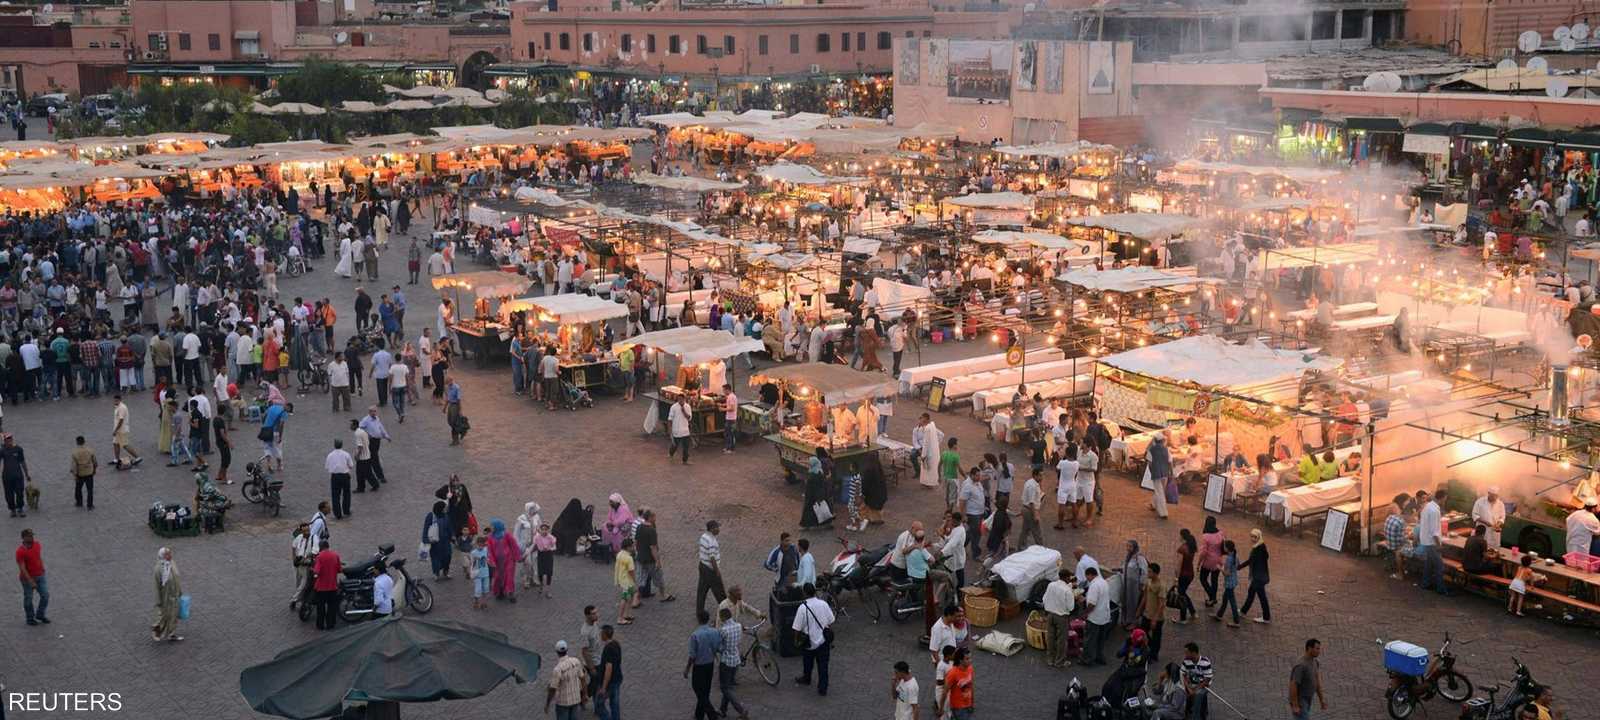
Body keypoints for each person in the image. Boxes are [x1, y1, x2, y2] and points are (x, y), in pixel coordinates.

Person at [793, 582, 835, 695]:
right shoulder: (823, 604)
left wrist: (796, 640)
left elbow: (797, 628)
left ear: (805, 593)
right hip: (823, 641)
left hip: (809, 642)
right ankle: (823, 688)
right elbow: (831, 620)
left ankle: (807, 678)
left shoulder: (802, 608)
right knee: (823, 666)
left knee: (807, 663)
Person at [686, 609, 723, 720]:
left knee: (698, 690)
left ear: (698, 620)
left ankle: (712, 715)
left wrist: (687, 669)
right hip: (710, 665)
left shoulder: (695, 635)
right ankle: (699, 715)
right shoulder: (715, 632)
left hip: (699, 667)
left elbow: (692, 656)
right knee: (705, 690)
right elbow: (718, 648)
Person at [716, 607, 748, 719]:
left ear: (724, 617)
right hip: (736, 660)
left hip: (726, 661)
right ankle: (722, 710)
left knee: (725, 688)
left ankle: (741, 710)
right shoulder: (738, 626)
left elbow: (719, 647)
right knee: (728, 686)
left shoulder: (723, 630)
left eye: (720, 617)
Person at [546, 639, 589, 720]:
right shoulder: (576, 662)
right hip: (576, 699)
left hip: (563, 703)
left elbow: (552, 689)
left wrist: (547, 704)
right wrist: (585, 694)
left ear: (557, 652)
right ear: (567, 650)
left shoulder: (557, 669)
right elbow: (583, 679)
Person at [1041, 568, 1075, 667]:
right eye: (1069, 577)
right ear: (1067, 577)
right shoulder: (1067, 590)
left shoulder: (1051, 585)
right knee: (1062, 640)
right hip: (1061, 617)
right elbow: (1071, 607)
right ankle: (1059, 661)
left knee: (1050, 637)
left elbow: (1044, 599)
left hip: (1050, 615)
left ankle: (1050, 659)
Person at [1239, 529, 1271, 623]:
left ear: (1258, 537)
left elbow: (1250, 561)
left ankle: (1266, 617)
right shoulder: (1262, 546)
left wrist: (1239, 567)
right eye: (1251, 536)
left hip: (1258, 577)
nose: (1252, 539)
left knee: (1261, 597)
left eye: (1255, 537)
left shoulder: (1258, 549)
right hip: (1260, 576)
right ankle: (1243, 611)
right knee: (1251, 593)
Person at [16, 529, 48, 625]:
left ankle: (40, 614)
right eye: (29, 536)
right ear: (24, 538)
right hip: (27, 579)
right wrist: (30, 580)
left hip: (40, 575)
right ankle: (30, 618)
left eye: (32, 535)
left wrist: (42, 568)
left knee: (45, 595)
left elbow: (38, 557)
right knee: (28, 598)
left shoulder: (37, 545)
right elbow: (22, 568)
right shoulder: (20, 551)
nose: (32, 537)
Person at [1418, 489, 1446, 594]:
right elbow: (1435, 532)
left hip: (1425, 540)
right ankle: (1441, 589)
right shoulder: (1434, 510)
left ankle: (1425, 584)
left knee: (1429, 565)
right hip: (1432, 543)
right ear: (1443, 498)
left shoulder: (1428, 506)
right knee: (1440, 566)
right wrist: (1438, 545)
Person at [151, 547, 183, 642]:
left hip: (174, 595)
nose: (170, 556)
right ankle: (156, 631)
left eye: (170, 553)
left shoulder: (172, 563)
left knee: (174, 614)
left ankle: (171, 634)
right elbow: (156, 586)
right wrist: (158, 600)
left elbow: (177, 578)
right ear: (162, 556)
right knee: (163, 615)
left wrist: (180, 591)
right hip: (165, 596)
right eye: (167, 554)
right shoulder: (158, 569)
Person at [1290, 638, 1326, 720]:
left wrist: (1321, 699)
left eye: (1319, 649)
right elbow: (1293, 684)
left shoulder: (1315, 662)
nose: (1319, 651)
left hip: (1308, 698)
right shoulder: (1301, 665)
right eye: (1317, 648)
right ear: (1309, 648)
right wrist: (1295, 705)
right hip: (1300, 699)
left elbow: (1317, 681)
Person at [486, 518, 521, 602]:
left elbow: (514, 545)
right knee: (498, 577)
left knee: (509, 576)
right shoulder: (490, 537)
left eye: (492, 526)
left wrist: (517, 557)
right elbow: (489, 550)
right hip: (498, 562)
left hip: (509, 559)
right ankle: (500, 591)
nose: (491, 528)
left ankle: (510, 593)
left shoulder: (506, 535)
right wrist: (492, 561)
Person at [1082, 566, 1111, 666]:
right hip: (1104, 616)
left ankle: (1087, 659)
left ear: (1090, 574)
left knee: (1089, 639)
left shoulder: (1094, 585)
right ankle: (1099, 657)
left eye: (1087, 577)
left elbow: (1092, 604)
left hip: (1094, 617)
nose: (1087, 579)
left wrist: (1085, 613)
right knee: (1100, 640)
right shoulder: (1104, 582)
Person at [697, 520, 727, 615]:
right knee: (720, 592)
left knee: (702, 590)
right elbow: (712, 557)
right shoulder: (712, 541)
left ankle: (699, 611)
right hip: (710, 570)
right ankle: (726, 612)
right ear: (712, 529)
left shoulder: (704, 537)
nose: (719, 530)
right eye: (717, 528)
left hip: (702, 566)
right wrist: (717, 571)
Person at [595, 625, 623, 720]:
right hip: (617, 678)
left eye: (601, 633)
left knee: (599, 704)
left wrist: (603, 687)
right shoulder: (616, 644)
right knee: (614, 703)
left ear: (604, 635)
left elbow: (608, 668)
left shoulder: (608, 649)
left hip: (610, 682)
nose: (600, 635)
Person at [311, 539, 341, 630]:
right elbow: (339, 569)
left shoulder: (319, 557)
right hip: (332, 586)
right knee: (331, 607)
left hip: (321, 588)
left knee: (321, 607)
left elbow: (317, 572)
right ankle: (330, 624)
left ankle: (320, 625)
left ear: (320, 547)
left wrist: (312, 570)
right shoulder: (335, 555)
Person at [1120, 539, 1149, 627]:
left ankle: (1134, 621)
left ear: (1135, 547)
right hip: (1127, 584)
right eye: (1127, 546)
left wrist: (1141, 583)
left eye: (1130, 546)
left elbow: (1144, 571)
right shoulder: (1129, 556)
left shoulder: (1139, 557)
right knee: (1127, 601)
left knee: (1134, 602)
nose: (1128, 548)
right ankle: (1127, 619)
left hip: (1135, 585)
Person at [1212, 539, 1241, 627]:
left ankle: (1236, 621)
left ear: (1227, 549)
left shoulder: (1229, 558)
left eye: (1224, 546)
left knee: (1232, 602)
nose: (1223, 548)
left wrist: (1220, 568)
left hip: (1229, 583)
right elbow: (1238, 566)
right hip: (1233, 581)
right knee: (1225, 599)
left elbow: (1226, 574)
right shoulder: (1235, 556)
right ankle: (1219, 615)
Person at [941, 647, 975, 719]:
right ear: (960, 660)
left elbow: (971, 686)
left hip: (968, 704)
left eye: (970, 658)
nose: (970, 661)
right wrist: (941, 708)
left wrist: (972, 702)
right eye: (967, 659)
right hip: (958, 707)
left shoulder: (970, 668)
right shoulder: (952, 673)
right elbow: (945, 692)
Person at [110, 394, 143, 469]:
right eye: (114, 400)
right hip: (118, 430)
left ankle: (137, 457)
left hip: (122, 430)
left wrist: (115, 430)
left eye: (116, 400)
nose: (115, 401)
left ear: (120, 400)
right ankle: (116, 459)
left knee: (125, 445)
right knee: (115, 443)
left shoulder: (122, 408)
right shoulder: (118, 406)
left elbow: (121, 420)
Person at [1182, 642, 1214, 720]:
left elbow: (1207, 680)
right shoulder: (1186, 661)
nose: (1185, 655)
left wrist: (1195, 690)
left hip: (1203, 686)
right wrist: (1188, 688)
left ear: (1193, 653)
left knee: (1198, 695)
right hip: (1190, 684)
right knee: (1180, 690)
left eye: (1187, 653)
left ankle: (1196, 717)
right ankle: (1183, 713)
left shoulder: (1205, 662)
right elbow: (1183, 675)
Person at [324, 439, 354, 520]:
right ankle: (346, 510)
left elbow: (327, 467)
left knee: (335, 495)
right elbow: (351, 465)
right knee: (346, 494)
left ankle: (338, 514)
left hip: (335, 477)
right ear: (342, 445)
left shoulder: (330, 455)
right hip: (345, 476)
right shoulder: (346, 454)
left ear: (334, 445)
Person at [0, 434, 27, 518]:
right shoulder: (2, 451)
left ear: (12, 440)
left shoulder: (18, 449)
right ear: (4, 441)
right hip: (7, 476)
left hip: (18, 475)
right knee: (9, 494)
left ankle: (20, 508)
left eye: (10, 439)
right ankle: (12, 510)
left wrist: (27, 474)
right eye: (7, 440)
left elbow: (22, 462)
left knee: (20, 492)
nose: (9, 441)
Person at [1017, 468, 1045, 548]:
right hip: (1030, 510)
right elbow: (1031, 502)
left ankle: (1020, 547)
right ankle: (1041, 549)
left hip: (1026, 509)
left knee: (1025, 530)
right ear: (1035, 475)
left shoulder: (1030, 482)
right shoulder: (1033, 486)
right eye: (1040, 475)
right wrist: (1036, 515)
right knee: (1037, 532)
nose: (1041, 477)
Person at [1055, 445, 1080, 529]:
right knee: (1074, 504)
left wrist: (1061, 458)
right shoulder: (1076, 463)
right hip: (1072, 485)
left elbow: (1057, 469)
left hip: (1063, 485)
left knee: (1061, 505)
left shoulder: (1063, 462)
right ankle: (1075, 522)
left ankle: (1060, 524)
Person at [68, 435, 96, 510]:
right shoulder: (90, 450)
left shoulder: (75, 453)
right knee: (90, 489)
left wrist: (75, 474)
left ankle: (79, 502)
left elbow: (74, 466)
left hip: (80, 473)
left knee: (78, 488)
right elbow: (95, 462)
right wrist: (94, 470)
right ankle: (90, 505)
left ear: (77, 442)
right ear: (84, 441)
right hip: (89, 472)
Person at [668, 395, 693, 465]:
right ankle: (671, 453)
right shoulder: (673, 407)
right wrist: (670, 430)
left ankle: (685, 460)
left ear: (684, 399)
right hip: (676, 430)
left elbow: (689, 418)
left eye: (682, 399)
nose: (680, 401)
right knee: (675, 445)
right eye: (679, 399)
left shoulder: (688, 407)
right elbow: (670, 419)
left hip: (685, 431)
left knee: (686, 447)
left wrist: (684, 411)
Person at [469, 534, 490, 610]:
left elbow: (489, 558)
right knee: (478, 589)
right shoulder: (473, 553)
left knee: (486, 588)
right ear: (477, 544)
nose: (480, 546)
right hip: (477, 574)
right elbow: (472, 564)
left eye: (482, 544)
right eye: (479, 544)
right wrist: (475, 559)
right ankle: (476, 601)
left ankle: (484, 603)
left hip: (486, 573)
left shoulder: (486, 549)